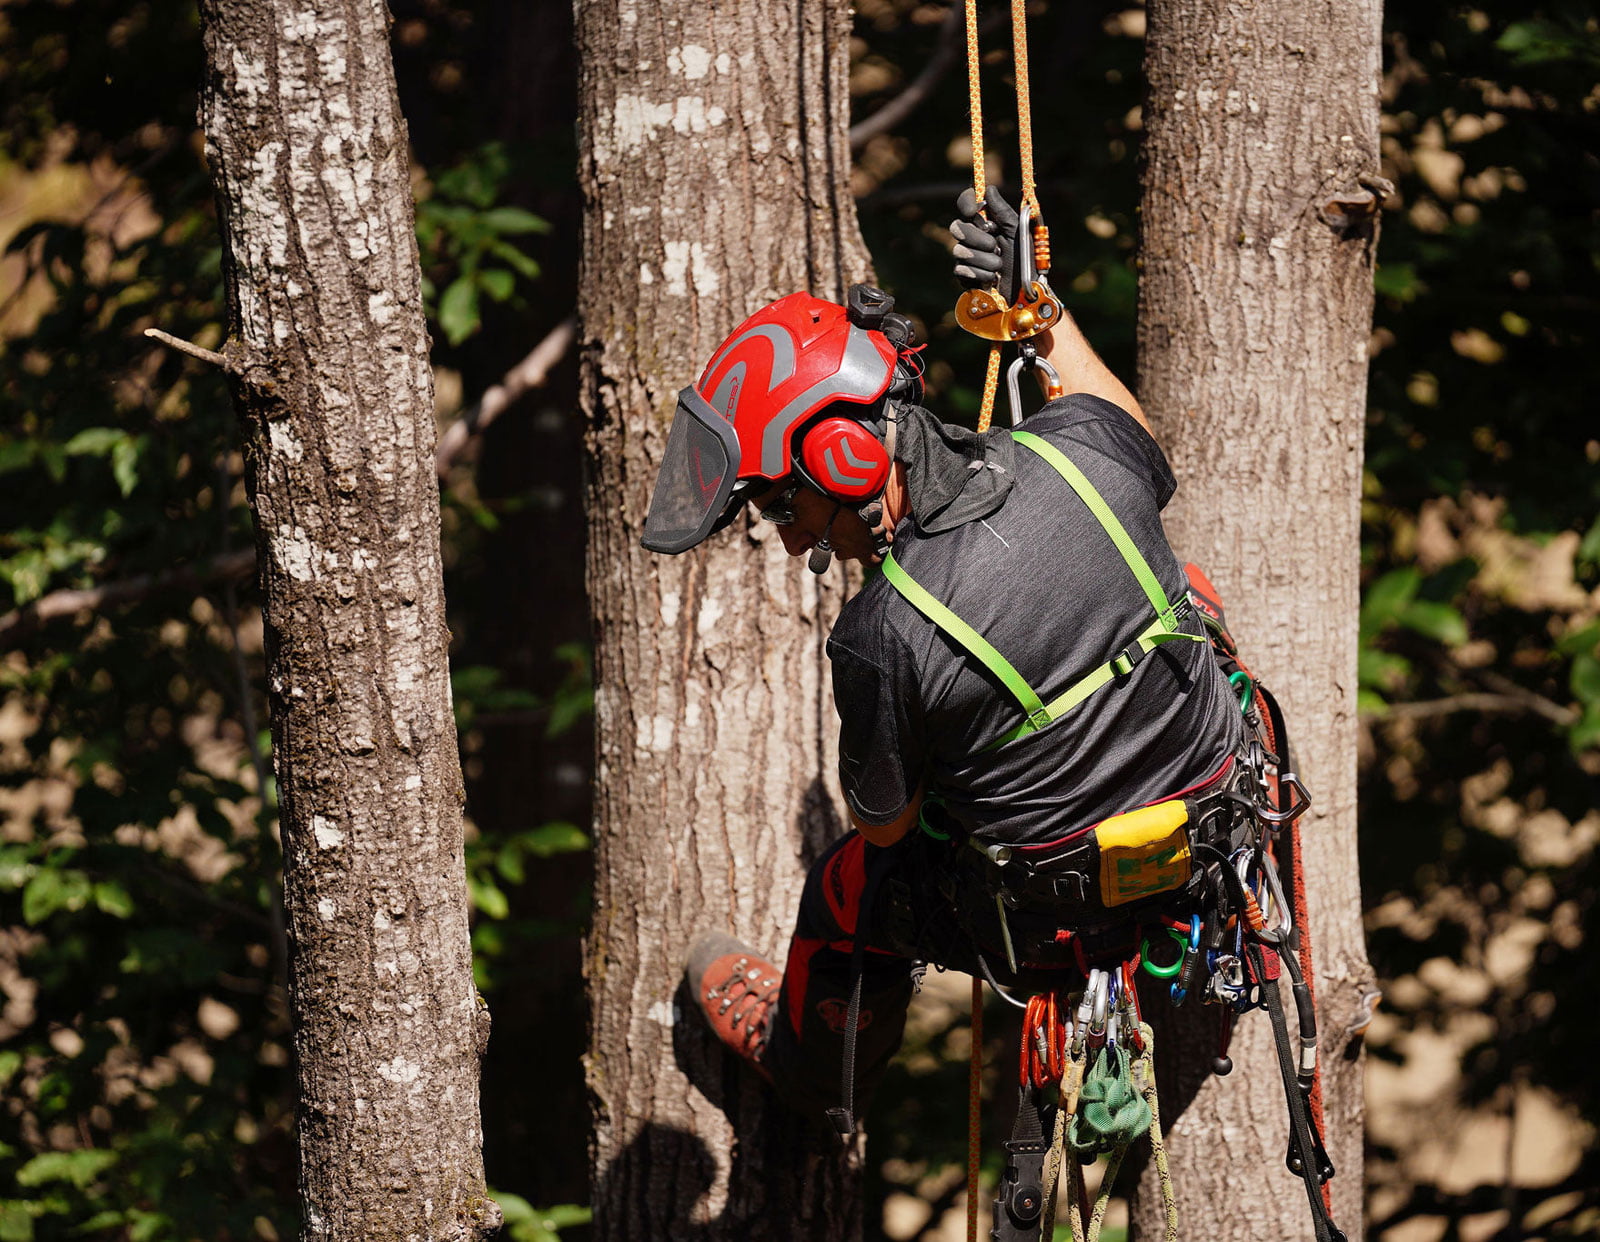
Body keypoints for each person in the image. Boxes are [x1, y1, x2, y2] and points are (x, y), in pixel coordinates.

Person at [640, 189, 1245, 1130]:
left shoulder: (882, 636)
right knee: (1188, 589)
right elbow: (1125, 425)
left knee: (846, 888)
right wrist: (1043, 314)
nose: (796, 542)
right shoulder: (1081, 457)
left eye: (784, 507)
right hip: (1213, 822)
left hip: (1058, 908)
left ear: (843, 460)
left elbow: (888, 831)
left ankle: (808, 1079)